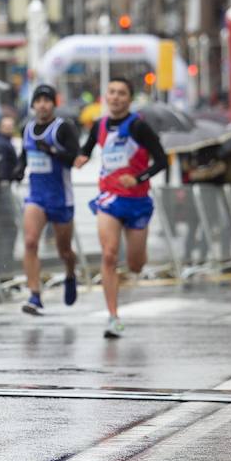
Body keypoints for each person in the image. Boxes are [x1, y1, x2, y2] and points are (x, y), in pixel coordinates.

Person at [74, 77, 167, 338]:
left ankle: (136, 263)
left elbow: (161, 162)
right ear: (106, 96)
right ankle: (113, 317)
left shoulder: (139, 127)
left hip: (137, 201)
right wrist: (79, 158)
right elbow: (86, 149)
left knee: (136, 264)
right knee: (109, 255)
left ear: (129, 98)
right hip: (110, 198)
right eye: (112, 92)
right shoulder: (99, 125)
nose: (115, 97)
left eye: (121, 93)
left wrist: (137, 178)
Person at [12, 84, 80, 314]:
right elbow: (25, 156)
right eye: (38, 101)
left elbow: (74, 158)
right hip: (36, 196)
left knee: (64, 251)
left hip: (61, 198)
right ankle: (34, 296)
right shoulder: (27, 128)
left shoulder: (63, 128)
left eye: (47, 100)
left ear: (54, 104)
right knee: (30, 242)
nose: (42, 105)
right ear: (32, 105)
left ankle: (71, 273)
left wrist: (52, 151)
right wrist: (19, 170)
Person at [0, 116, 19, 182]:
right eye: (6, 126)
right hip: (3, 181)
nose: (9, 129)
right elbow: (0, 166)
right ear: (0, 128)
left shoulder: (6, 141)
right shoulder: (1, 144)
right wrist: (2, 180)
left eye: (11, 126)